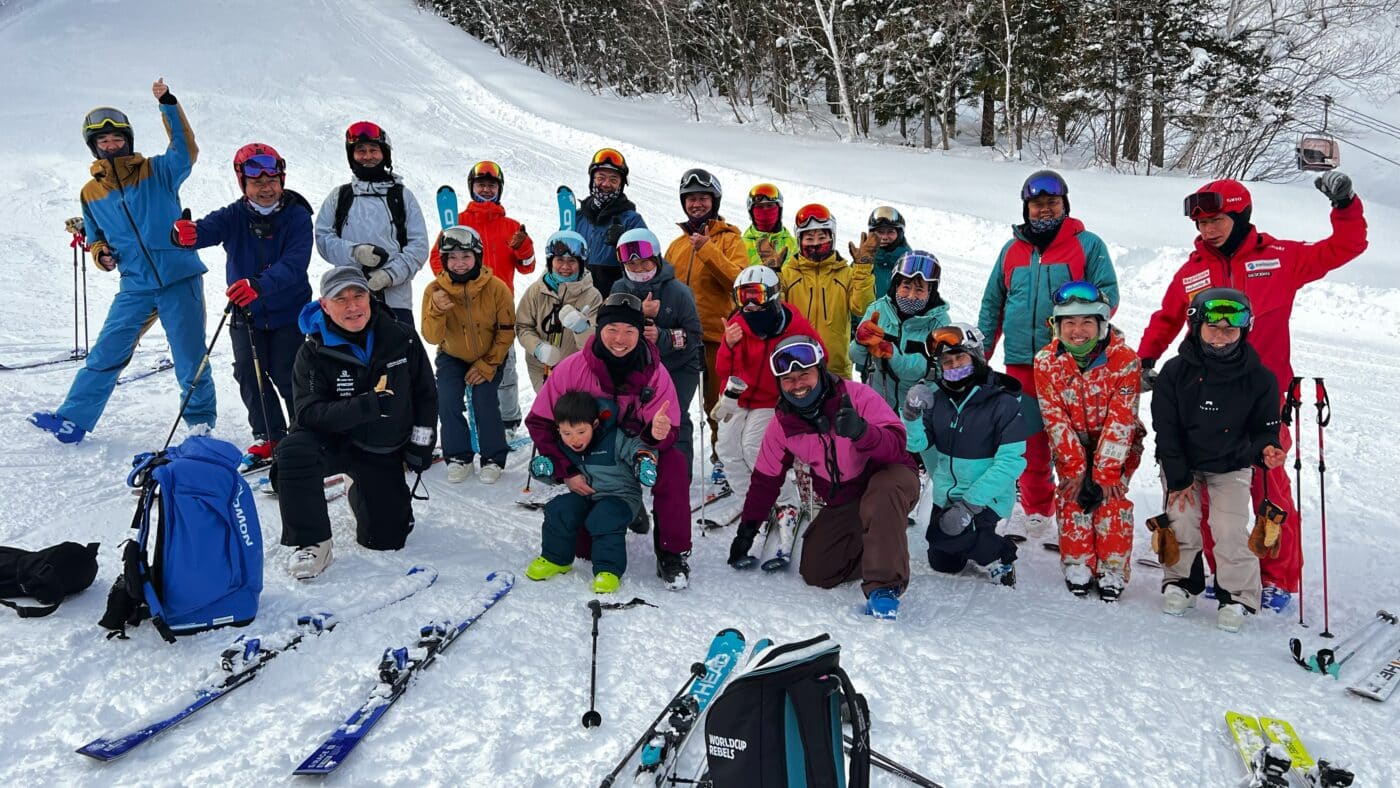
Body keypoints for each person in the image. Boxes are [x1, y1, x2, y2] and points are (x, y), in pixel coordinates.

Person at [1136, 174, 1367, 611]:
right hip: (1203, 399)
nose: (1208, 230)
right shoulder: (1192, 272)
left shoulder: (1281, 258)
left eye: (1217, 219)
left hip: (1264, 398)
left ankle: (1277, 576)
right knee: (1202, 487)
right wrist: (1146, 360)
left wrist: (1345, 204)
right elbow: (1167, 318)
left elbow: (1345, 247)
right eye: (1201, 224)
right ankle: (1222, 571)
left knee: (1267, 487)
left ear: (1241, 214)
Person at [31, 79, 217, 444]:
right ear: (94, 147)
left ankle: (199, 425)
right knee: (107, 350)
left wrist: (168, 105)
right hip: (135, 284)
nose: (111, 145)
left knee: (189, 356)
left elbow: (185, 149)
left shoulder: (157, 171)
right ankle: (73, 419)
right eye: (104, 142)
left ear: (127, 140)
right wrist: (100, 253)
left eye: (117, 139)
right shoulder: (91, 193)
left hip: (179, 277)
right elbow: (96, 234)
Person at [732, 337, 919, 620]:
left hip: (891, 477)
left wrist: (862, 432)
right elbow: (764, 481)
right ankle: (881, 537)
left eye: (804, 375)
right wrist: (746, 534)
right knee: (818, 571)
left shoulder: (856, 396)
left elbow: (897, 444)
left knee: (882, 493)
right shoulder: (783, 424)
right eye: (788, 379)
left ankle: (884, 587)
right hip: (845, 496)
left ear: (820, 370)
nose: (797, 385)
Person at [977, 170, 1118, 539]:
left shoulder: (1087, 245)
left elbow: (1108, 295)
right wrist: (981, 354)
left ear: (1065, 204)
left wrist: (1082, 335)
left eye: (1052, 203)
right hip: (1022, 361)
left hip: (1072, 361)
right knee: (1029, 437)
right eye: (1037, 205)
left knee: (1076, 436)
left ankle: (1081, 505)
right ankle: (1039, 506)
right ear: (1026, 209)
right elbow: (994, 304)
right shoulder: (1012, 250)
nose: (1044, 211)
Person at [275, 267, 437, 579]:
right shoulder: (311, 351)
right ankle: (313, 543)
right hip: (332, 441)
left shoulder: (400, 335)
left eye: (358, 295)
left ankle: (357, 488)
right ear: (324, 305)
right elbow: (308, 413)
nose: (352, 306)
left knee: (387, 538)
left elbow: (426, 394)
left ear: (369, 297)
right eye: (341, 299)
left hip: (379, 445)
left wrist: (421, 442)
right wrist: (367, 406)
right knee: (292, 452)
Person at [524, 294, 692, 590]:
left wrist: (658, 433)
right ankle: (627, 507)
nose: (620, 338)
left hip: (636, 451)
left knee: (676, 464)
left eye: (629, 331)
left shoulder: (655, 373)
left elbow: (670, 432)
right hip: (590, 461)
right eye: (612, 328)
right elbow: (540, 422)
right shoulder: (573, 368)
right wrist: (566, 471)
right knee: (585, 549)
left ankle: (672, 552)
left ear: (640, 333)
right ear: (599, 328)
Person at [1151, 288, 1285, 632]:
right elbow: (1165, 429)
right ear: (1196, 327)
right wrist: (1178, 476)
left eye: (1230, 329)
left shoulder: (1262, 379)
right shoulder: (1174, 372)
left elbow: (1264, 428)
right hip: (1183, 462)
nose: (1221, 336)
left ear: (1244, 330)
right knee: (1181, 518)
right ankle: (1182, 583)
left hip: (1232, 463)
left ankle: (1237, 595)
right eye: (1213, 327)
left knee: (1228, 527)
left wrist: (1267, 447)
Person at [171, 143, 312, 465]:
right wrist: (185, 235)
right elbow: (205, 230)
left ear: (282, 179)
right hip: (245, 313)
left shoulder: (297, 216)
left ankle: (305, 432)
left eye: (272, 181)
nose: (266, 188)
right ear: (243, 184)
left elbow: (294, 265)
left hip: (287, 313)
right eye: (257, 183)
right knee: (249, 374)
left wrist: (259, 285)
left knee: (288, 372)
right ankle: (269, 436)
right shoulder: (235, 214)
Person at [1033, 281, 1146, 601]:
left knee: (1110, 497)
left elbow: (1123, 418)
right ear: (1057, 326)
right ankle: (1078, 561)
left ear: (1101, 324)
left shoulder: (1124, 360)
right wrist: (1074, 467)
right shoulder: (1046, 361)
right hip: (1073, 443)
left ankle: (1112, 566)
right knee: (1073, 493)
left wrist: (1106, 470)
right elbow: (1054, 417)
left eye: (1086, 322)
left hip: (1117, 444)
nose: (1077, 330)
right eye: (1069, 323)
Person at [904, 324, 1028, 589]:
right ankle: (969, 538)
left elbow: (1011, 462)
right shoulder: (938, 397)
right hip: (947, 494)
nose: (953, 366)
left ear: (977, 357)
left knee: (946, 535)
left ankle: (1001, 555)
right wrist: (911, 416)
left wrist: (969, 506)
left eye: (960, 357)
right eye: (946, 362)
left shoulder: (1003, 403)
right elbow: (917, 444)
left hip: (985, 498)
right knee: (943, 561)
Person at [427, 160, 534, 432]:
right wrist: (449, 286)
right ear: (472, 188)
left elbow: (528, 267)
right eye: (480, 185)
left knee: (505, 370)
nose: (486, 190)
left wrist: (523, 248)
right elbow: (437, 261)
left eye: (491, 185)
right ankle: (468, 424)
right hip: (462, 311)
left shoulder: (510, 226)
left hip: (500, 310)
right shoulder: (458, 223)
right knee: (461, 369)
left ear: (499, 190)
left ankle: (508, 422)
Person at [711, 267, 821, 526]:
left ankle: (786, 503)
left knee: (754, 448)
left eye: (756, 296)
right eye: (743, 297)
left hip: (771, 400)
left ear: (773, 296)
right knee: (725, 447)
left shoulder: (795, 325)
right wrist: (727, 346)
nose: (749, 304)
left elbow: (818, 358)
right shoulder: (738, 322)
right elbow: (723, 369)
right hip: (737, 396)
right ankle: (747, 497)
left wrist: (800, 394)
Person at [525, 391, 660, 594]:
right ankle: (556, 558)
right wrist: (543, 469)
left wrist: (643, 461)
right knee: (559, 508)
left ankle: (608, 570)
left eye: (581, 432)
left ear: (595, 425)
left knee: (604, 516)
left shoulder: (614, 438)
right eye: (567, 433)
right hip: (585, 495)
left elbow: (637, 447)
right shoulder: (563, 444)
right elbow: (556, 470)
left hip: (620, 497)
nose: (574, 439)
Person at [421, 226, 516, 484]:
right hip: (452, 355)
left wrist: (488, 364)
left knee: (484, 401)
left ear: (478, 257)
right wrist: (437, 311)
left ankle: (493, 457)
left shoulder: (496, 288)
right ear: (444, 260)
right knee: (448, 400)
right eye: (452, 257)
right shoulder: (434, 290)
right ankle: (459, 457)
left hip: (490, 353)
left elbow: (507, 331)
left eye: (466, 256)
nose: (459, 263)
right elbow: (430, 337)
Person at [313, 121, 429, 328]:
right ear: (352, 156)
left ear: (384, 154)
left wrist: (389, 274)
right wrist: (355, 252)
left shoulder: (402, 197)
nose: (367, 156)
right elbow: (323, 239)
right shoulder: (340, 196)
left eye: (374, 150)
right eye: (360, 151)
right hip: (350, 302)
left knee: (399, 357)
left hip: (395, 301)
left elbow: (418, 247)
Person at [663, 169, 748, 448]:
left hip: (715, 336)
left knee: (717, 403)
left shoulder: (730, 239)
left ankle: (722, 454)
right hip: (680, 338)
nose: (696, 204)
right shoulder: (677, 245)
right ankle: (671, 453)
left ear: (715, 201)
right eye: (690, 199)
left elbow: (739, 282)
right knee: (671, 399)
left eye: (703, 198)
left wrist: (708, 249)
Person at [611, 228, 703, 470]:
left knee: (674, 417)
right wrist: (640, 315)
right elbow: (610, 326)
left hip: (678, 366)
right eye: (633, 266)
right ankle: (642, 463)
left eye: (644, 264)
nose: (639, 271)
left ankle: (679, 472)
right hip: (639, 366)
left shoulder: (679, 292)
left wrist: (663, 337)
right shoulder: (619, 288)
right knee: (635, 415)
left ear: (657, 260)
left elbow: (694, 336)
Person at [778, 204, 876, 380]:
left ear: (832, 237)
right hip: (796, 369)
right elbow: (777, 313)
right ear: (800, 240)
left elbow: (862, 308)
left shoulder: (846, 274)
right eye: (809, 238)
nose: (816, 243)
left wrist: (862, 269)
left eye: (822, 237)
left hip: (836, 370)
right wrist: (773, 274)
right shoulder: (787, 275)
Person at [850, 250, 950, 412]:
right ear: (896, 285)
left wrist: (892, 354)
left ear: (930, 292)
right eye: (906, 287)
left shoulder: (939, 323)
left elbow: (941, 374)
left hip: (915, 413)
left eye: (919, 290)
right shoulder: (877, 310)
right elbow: (856, 358)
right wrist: (860, 343)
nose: (911, 296)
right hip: (877, 406)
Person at [516, 231, 602, 391]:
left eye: (572, 261)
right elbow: (522, 326)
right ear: (550, 261)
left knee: (571, 413)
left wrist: (582, 329)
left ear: (581, 263)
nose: (565, 266)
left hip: (576, 369)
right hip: (540, 368)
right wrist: (538, 348)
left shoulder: (592, 296)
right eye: (559, 260)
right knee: (546, 410)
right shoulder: (536, 291)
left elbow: (596, 344)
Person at [575, 148, 647, 297]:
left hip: (614, 304)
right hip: (577, 301)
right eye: (601, 177)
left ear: (621, 185)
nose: (606, 184)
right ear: (592, 180)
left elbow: (646, 270)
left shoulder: (632, 221)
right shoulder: (577, 217)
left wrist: (624, 247)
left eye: (613, 180)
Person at [741, 183, 798, 271]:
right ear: (751, 212)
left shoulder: (795, 246)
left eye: (770, 205)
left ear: (779, 209)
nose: (765, 211)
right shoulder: (740, 246)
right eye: (760, 207)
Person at [865, 207, 913, 305]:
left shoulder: (910, 264)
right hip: (864, 319)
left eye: (890, 232)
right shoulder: (862, 260)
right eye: (880, 232)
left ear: (899, 234)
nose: (884, 237)